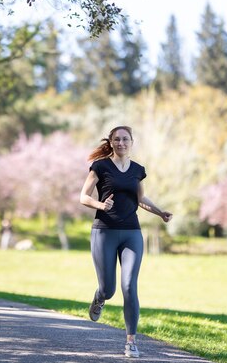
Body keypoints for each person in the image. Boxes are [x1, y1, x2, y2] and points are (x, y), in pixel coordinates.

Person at [79, 125, 172, 359]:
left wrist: (160, 212)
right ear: (110, 142)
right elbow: (83, 196)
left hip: (132, 232)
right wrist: (101, 205)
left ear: (132, 142)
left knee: (129, 285)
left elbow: (141, 199)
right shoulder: (100, 166)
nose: (121, 143)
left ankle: (131, 341)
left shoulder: (138, 170)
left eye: (125, 139)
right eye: (117, 139)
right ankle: (99, 298)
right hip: (104, 232)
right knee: (109, 289)